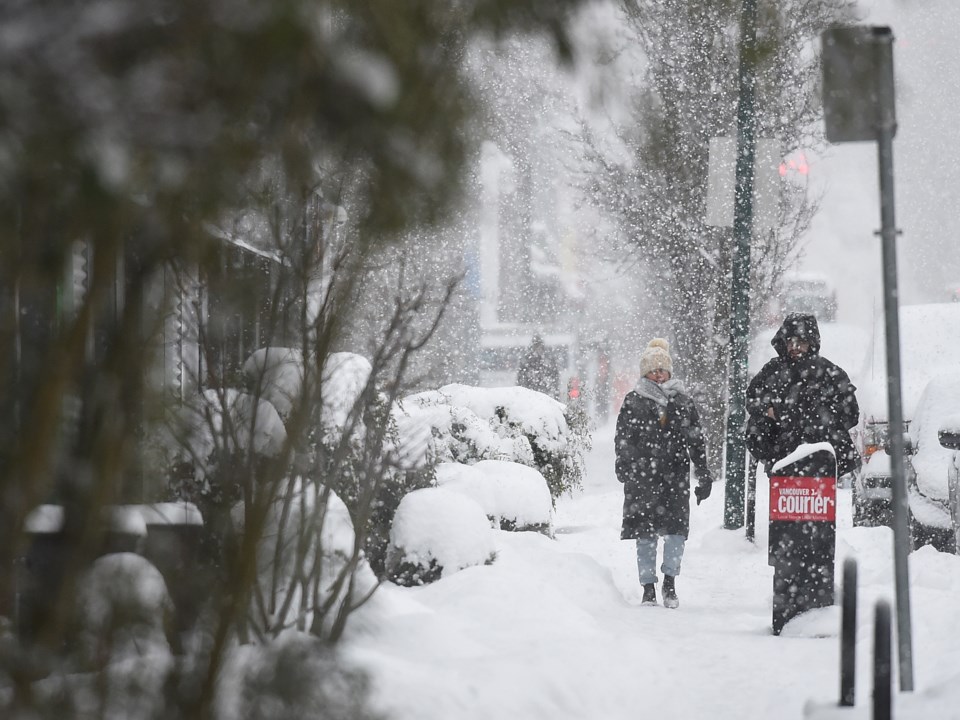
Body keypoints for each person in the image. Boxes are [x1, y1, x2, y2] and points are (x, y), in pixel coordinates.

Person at [614, 338, 714, 609]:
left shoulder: (683, 402)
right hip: (643, 476)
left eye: (662, 369)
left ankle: (670, 583)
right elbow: (624, 436)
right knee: (645, 533)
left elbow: (696, 439)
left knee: (675, 531)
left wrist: (703, 472)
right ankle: (648, 587)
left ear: (670, 371)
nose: (658, 374)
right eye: (652, 370)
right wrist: (625, 463)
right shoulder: (634, 401)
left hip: (675, 475)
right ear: (644, 372)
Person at [746, 313, 861, 478]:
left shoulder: (829, 373)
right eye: (790, 342)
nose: (794, 347)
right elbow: (752, 398)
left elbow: (850, 412)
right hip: (780, 448)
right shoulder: (772, 370)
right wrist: (769, 411)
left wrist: (819, 422)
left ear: (811, 343)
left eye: (800, 342)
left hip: (821, 454)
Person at [516, 334, 560, 398]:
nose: (538, 349)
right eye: (536, 346)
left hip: (541, 392)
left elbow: (555, 378)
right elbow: (520, 379)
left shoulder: (527, 360)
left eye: (539, 346)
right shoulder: (527, 360)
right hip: (534, 393)